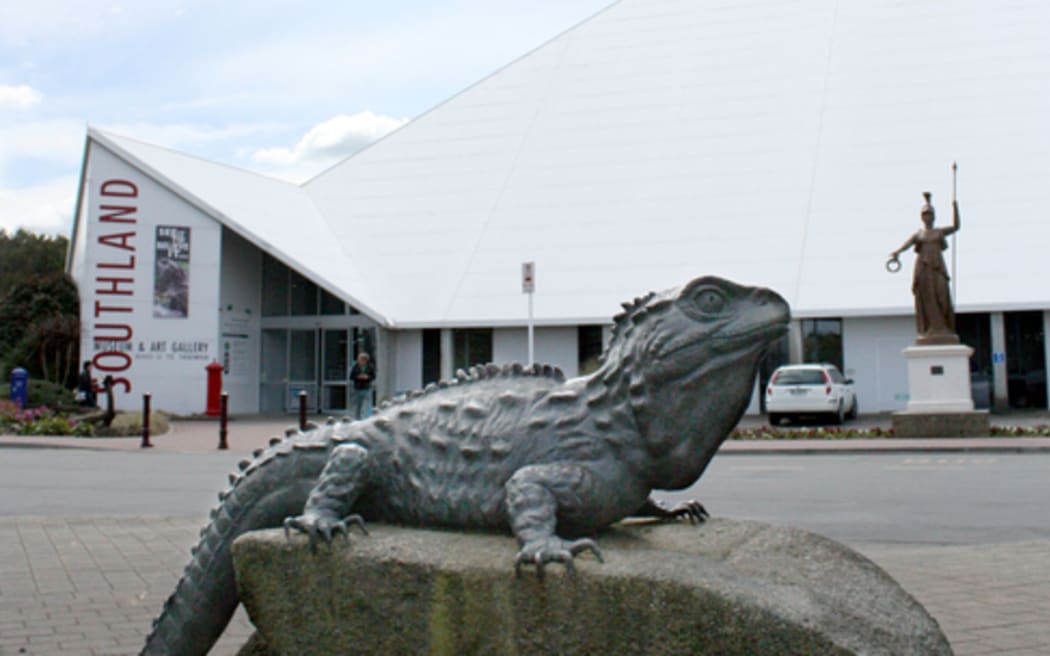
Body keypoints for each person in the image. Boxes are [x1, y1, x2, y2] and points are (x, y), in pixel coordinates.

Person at [887, 192, 960, 344]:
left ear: (934, 217)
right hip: (923, 268)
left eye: (930, 214)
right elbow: (906, 245)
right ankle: (929, 329)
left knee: (942, 296)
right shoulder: (919, 234)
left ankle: (944, 328)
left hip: (937, 267)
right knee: (926, 298)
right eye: (925, 215)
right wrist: (897, 253)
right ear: (922, 217)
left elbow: (956, 226)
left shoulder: (939, 232)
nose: (927, 217)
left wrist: (955, 207)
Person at [349, 352, 376, 420]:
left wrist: (367, 377)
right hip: (357, 388)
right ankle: (357, 418)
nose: (359, 360)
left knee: (366, 404)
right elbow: (351, 376)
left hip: (367, 387)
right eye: (358, 359)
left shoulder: (370, 367)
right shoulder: (355, 367)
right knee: (358, 404)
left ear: (364, 360)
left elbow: (373, 376)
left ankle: (366, 417)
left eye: (360, 359)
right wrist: (358, 377)